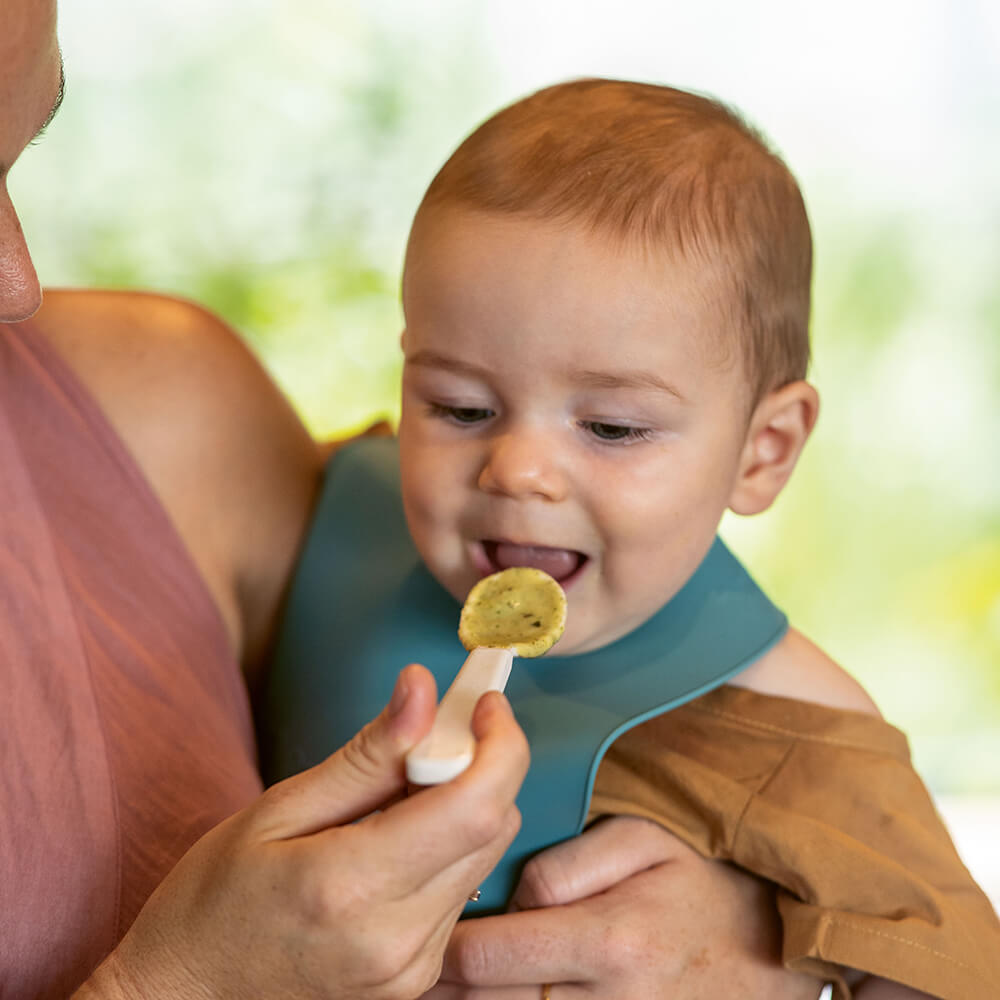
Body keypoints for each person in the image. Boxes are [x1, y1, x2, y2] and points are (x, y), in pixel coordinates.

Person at [1, 5, 827, 999]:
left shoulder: (177, 426)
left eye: (24, 147)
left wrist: (778, 936)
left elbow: (932, 937)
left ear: (763, 450)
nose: (20, 281)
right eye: (460, 405)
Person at [262, 80, 1000, 1000]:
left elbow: (947, 962)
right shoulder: (328, 510)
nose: (517, 470)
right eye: (459, 406)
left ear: (760, 454)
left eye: (611, 427)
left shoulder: (796, 726)